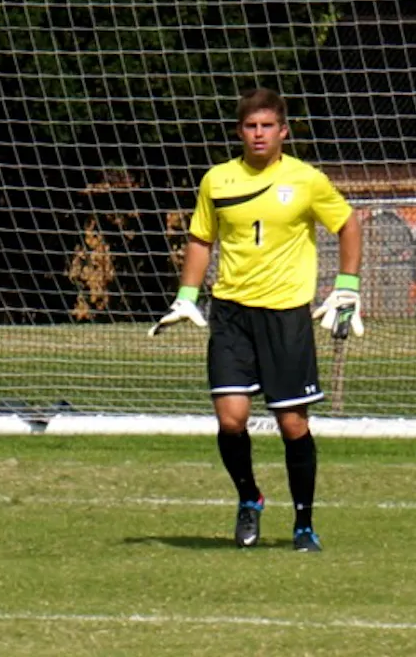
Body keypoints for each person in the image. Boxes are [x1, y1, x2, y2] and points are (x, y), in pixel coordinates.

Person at [150, 86, 363, 552]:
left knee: (292, 425)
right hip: (230, 314)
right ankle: (250, 498)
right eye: (251, 126)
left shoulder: (307, 180)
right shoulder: (217, 181)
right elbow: (201, 239)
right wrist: (186, 296)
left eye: (267, 126)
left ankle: (304, 524)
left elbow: (348, 224)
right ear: (239, 132)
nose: (259, 134)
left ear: (283, 131)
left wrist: (347, 286)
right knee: (231, 419)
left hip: (285, 316)